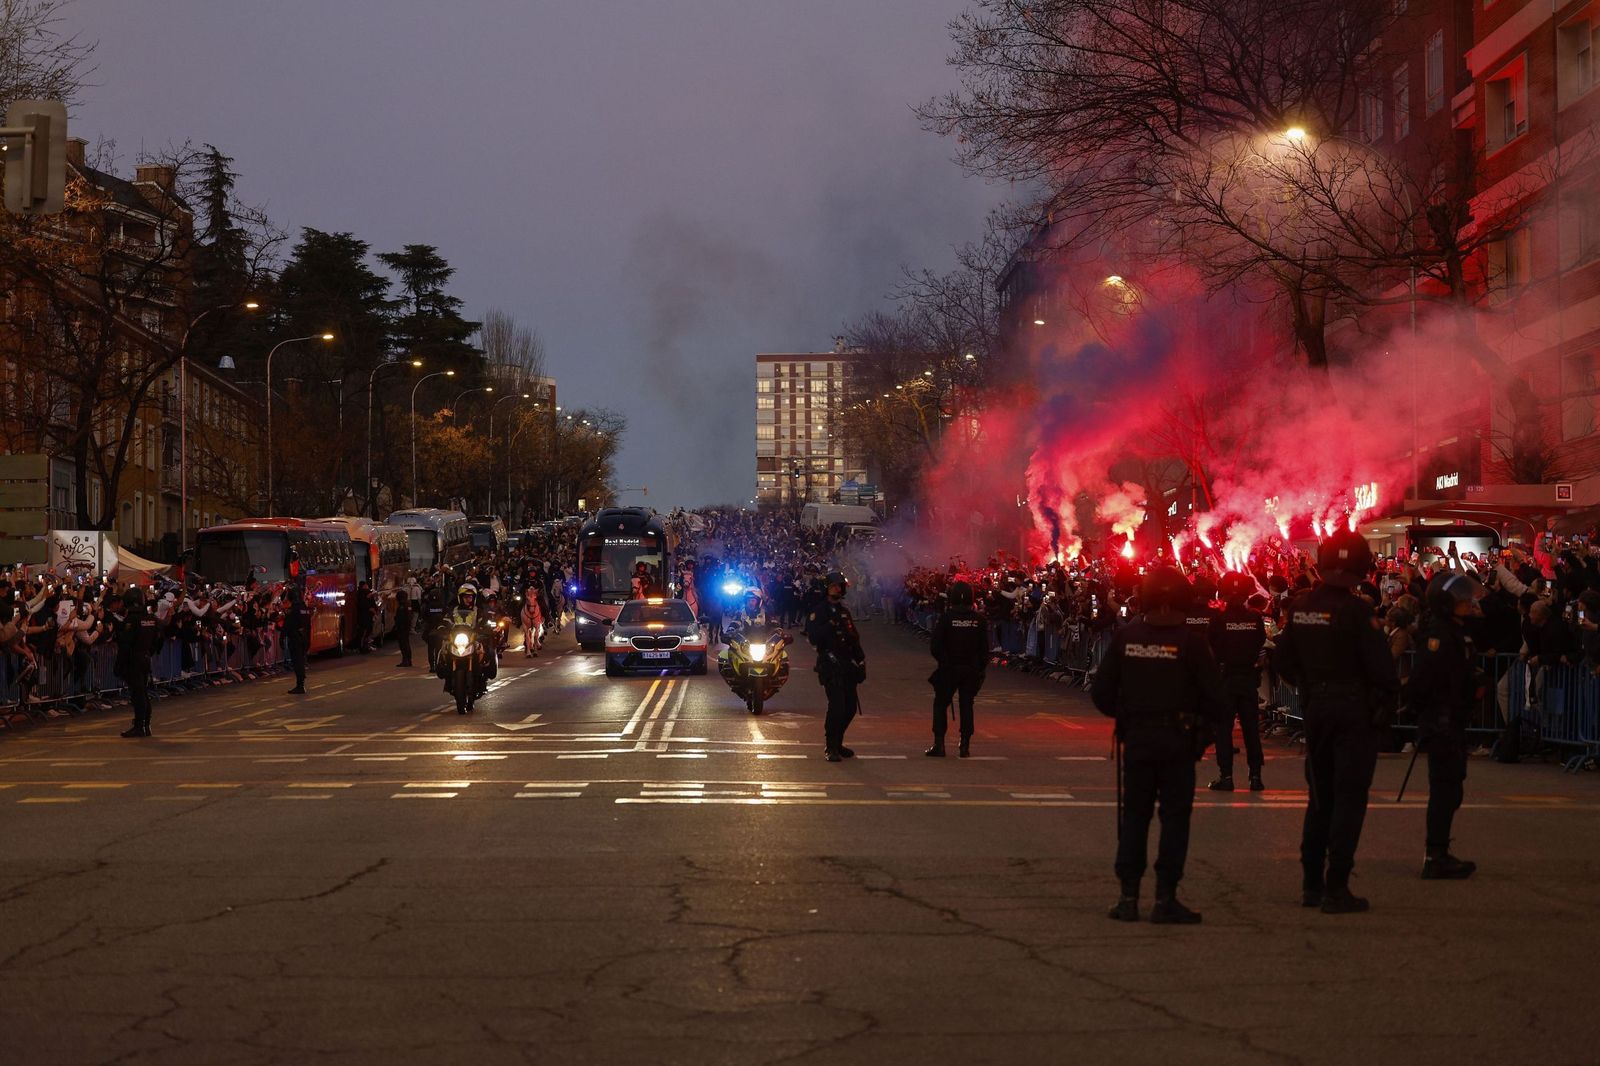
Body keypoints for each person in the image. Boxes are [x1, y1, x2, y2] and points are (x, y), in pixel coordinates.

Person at [1275, 530, 1400, 914]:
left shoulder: (1300, 608)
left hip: (1317, 707)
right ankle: (1337, 885)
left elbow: (1283, 660)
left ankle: (1311, 883)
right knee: (1349, 798)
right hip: (1352, 710)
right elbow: (1382, 671)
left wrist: (1310, 687)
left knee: (1320, 797)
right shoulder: (1360, 611)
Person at [1092, 567, 1225, 925]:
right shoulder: (1193, 642)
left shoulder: (1126, 638)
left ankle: (1128, 898)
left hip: (1138, 738)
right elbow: (1216, 697)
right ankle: (1165, 898)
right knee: (1174, 818)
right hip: (1178, 740)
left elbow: (1101, 692)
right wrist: (1202, 728)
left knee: (1135, 815)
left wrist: (1125, 715)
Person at [1408, 572, 1483, 881]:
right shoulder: (1439, 636)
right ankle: (1435, 855)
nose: (1468, 603)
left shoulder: (1454, 631)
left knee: (1451, 788)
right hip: (1442, 723)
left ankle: (1438, 851)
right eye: (1462, 599)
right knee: (1444, 790)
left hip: (1452, 720)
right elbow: (1422, 682)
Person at [1208, 571, 1268, 792]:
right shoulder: (1254, 618)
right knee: (1251, 729)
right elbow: (1261, 644)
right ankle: (1255, 777)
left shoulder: (1218, 620)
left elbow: (1212, 648)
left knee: (1223, 730)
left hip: (1226, 679)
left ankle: (1227, 776)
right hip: (1248, 679)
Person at [805, 570, 865, 763]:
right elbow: (813, 637)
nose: (837, 589)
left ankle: (839, 742)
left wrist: (861, 661)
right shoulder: (819, 611)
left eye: (839, 586)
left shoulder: (844, 611)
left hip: (847, 664)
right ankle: (831, 746)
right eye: (833, 586)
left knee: (849, 708)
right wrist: (831, 624)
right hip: (830, 664)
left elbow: (854, 638)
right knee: (837, 706)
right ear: (826, 589)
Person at [926, 580, 987, 758]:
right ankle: (964, 745)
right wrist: (979, 668)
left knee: (940, 704)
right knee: (967, 705)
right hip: (970, 670)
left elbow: (935, 645)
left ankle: (939, 744)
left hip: (949, 669)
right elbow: (984, 649)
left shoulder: (946, 618)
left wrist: (944, 662)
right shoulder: (979, 620)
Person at [115, 590, 158, 737]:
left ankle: (139, 726)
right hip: (144, 658)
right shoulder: (151, 618)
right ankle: (146, 725)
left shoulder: (131, 620)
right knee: (143, 692)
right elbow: (158, 639)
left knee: (137, 694)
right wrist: (149, 652)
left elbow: (125, 644)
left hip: (133, 660)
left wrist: (118, 665)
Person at [282, 587, 311, 695]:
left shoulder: (293, 610)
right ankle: (301, 683)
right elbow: (309, 626)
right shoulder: (305, 609)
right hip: (304, 639)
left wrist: (282, 637)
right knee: (301, 661)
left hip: (295, 639)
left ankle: (300, 685)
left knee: (297, 662)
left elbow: (287, 625)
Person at [393, 585, 414, 667]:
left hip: (402, 627)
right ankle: (408, 660)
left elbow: (401, 618)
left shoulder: (402, 606)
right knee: (406, 643)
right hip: (406, 627)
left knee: (403, 644)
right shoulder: (407, 604)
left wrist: (398, 624)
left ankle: (406, 660)